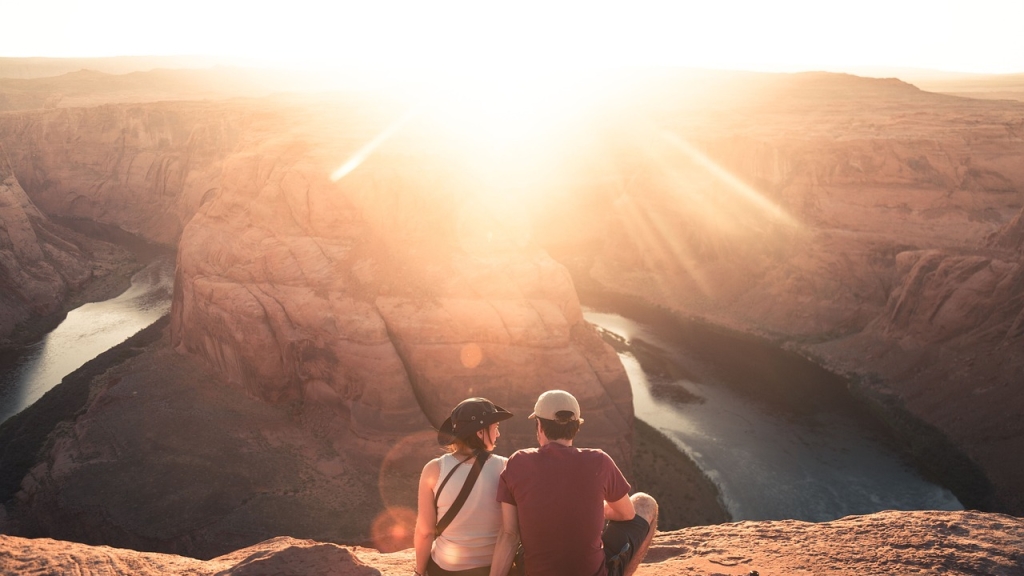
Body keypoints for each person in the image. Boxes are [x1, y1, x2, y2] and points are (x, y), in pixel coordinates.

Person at [489, 390, 658, 576]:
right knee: (645, 502)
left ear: (539, 426)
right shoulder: (600, 461)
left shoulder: (517, 462)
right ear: (577, 427)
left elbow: (509, 535)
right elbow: (627, 514)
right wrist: (591, 507)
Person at [414, 397, 514, 576]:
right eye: (495, 428)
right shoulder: (506, 467)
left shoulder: (434, 469)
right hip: (491, 568)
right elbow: (510, 531)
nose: (498, 434)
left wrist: (419, 572)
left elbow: (425, 532)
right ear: (480, 432)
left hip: (446, 569)